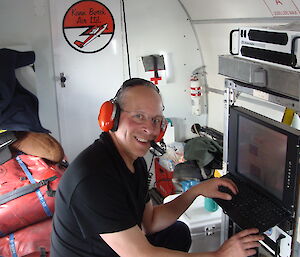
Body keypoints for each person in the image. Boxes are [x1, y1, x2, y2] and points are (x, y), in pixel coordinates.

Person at [51, 78, 263, 257]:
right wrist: (219, 255)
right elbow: (141, 255)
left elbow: (149, 222)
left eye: (156, 120)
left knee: (177, 233)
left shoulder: (135, 162)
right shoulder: (94, 179)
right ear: (112, 118)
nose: (149, 129)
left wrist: (195, 192)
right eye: (138, 116)